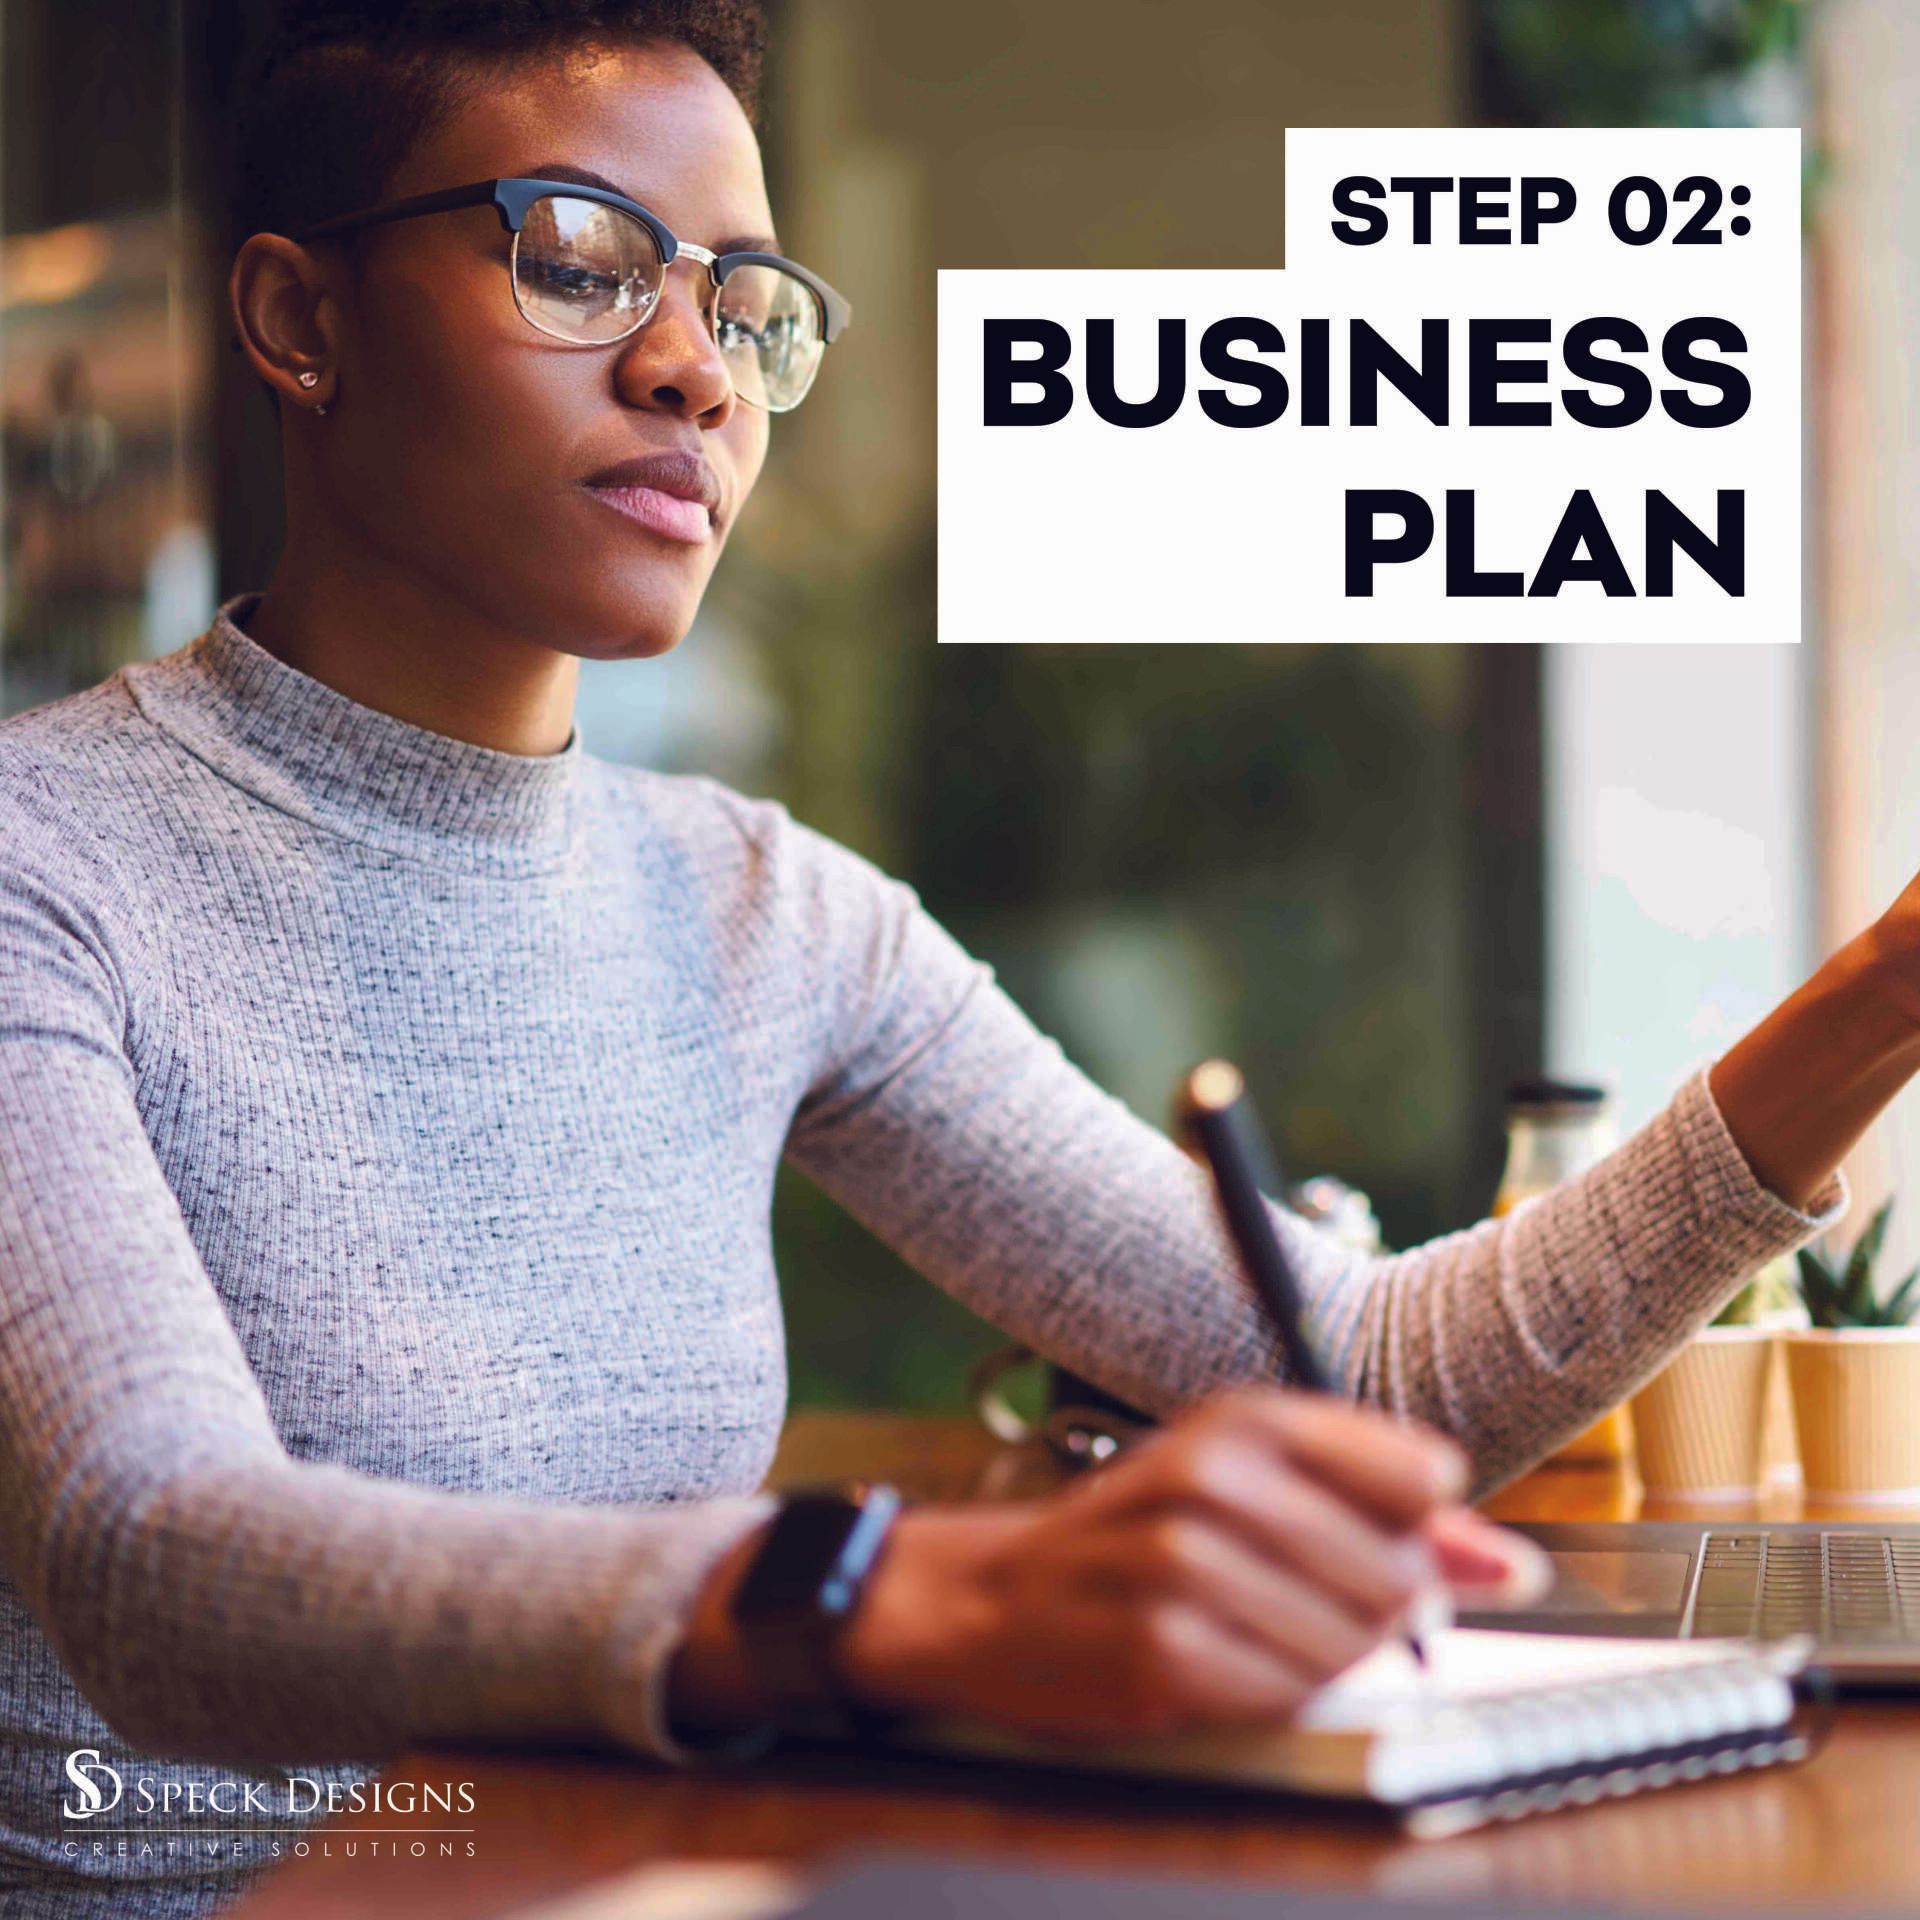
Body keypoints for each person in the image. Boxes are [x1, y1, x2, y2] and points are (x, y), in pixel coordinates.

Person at [0, 3, 1915, 1913]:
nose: (693, 372)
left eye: (745, 306)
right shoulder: (44, 865)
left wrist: (1888, 988)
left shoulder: (766, 910)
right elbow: (155, 1560)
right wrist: (902, 1590)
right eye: (578, 264)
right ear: (296, 320)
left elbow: (1383, 1376)